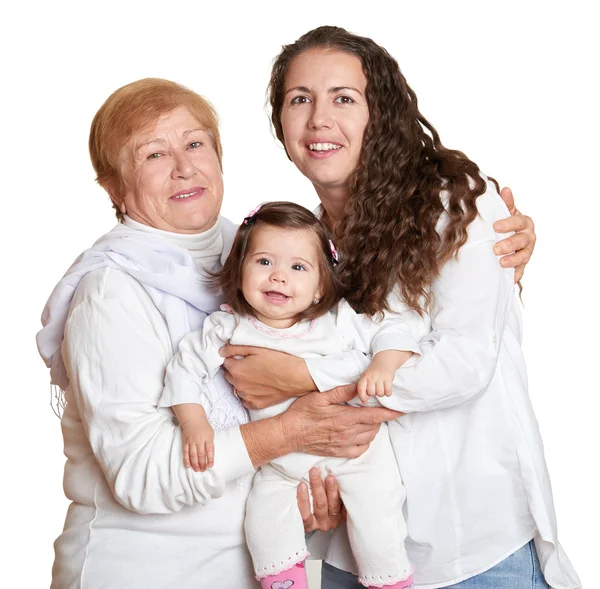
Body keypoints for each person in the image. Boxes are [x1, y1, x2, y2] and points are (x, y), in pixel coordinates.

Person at [218, 26, 581, 589]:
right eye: (299, 100)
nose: (318, 119)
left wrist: (303, 381)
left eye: (344, 98)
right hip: (355, 554)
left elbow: (462, 364)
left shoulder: (456, 207)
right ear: (279, 123)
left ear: (381, 112)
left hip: (473, 551)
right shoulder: (294, 251)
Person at [35, 79, 404, 589]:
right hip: (147, 571)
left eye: (194, 143)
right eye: (153, 154)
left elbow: (376, 318)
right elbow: (140, 476)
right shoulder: (110, 293)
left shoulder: (258, 258)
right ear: (113, 188)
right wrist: (289, 434)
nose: (183, 166)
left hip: (258, 569)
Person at [159, 201, 420, 589]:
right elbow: (183, 370)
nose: (279, 276)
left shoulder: (336, 322)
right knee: (263, 518)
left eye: (298, 267)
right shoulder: (229, 327)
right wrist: (193, 422)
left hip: (357, 454)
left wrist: (383, 363)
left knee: (377, 511)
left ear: (319, 289)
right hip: (281, 464)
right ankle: (285, 582)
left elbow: (394, 330)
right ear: (240, 270)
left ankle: (389, 581)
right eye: (264, 262)